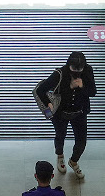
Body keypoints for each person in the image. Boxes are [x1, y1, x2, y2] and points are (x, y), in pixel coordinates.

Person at [35, 51, 97, 180]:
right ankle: (60, 155)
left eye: (79, 69)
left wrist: (82, 86)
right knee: (60, 135)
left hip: (79, 112)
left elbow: (92, 92)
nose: (77, 72)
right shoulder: (60, 74)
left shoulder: (88, 71)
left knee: (81, 141)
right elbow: (40, 90)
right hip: (60, 113)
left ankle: (73, 161)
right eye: (74, 69)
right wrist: (49, 103)